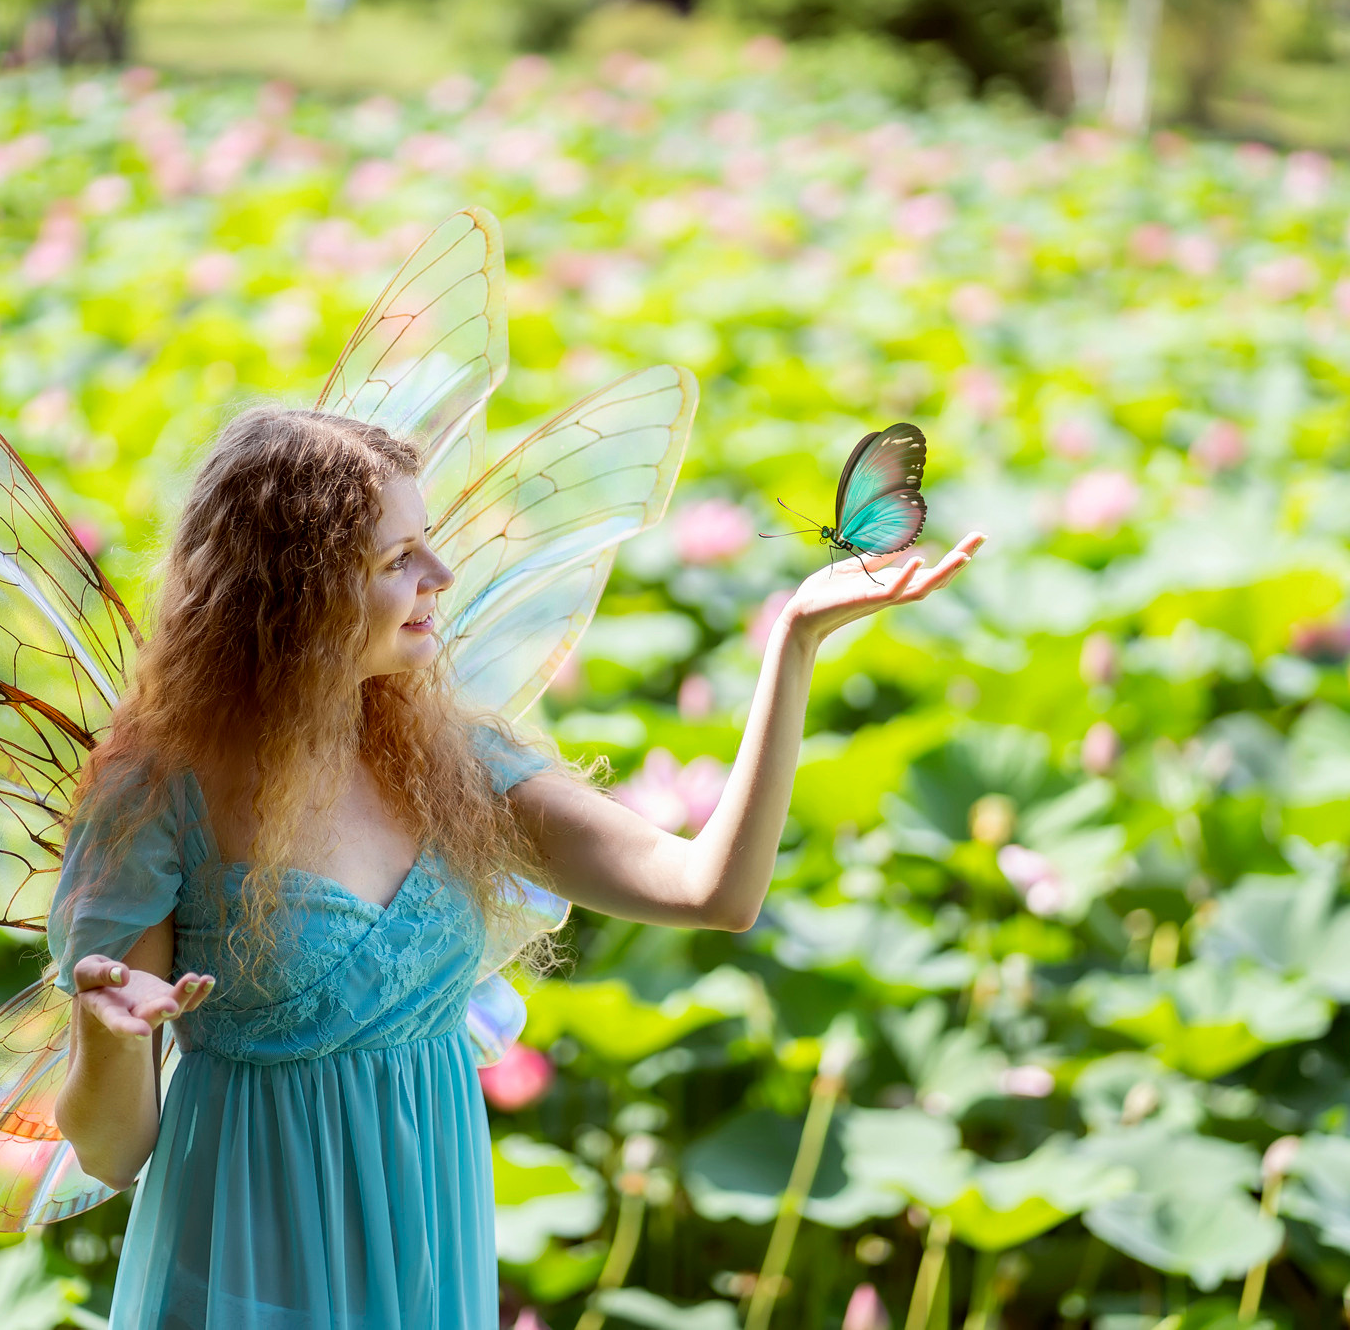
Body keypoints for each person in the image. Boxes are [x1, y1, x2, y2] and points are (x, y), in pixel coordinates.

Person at [49, 405, 985, 1329]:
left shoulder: (448, 761)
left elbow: (715, 892)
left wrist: (795, 643)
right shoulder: (157, 792)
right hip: (249, 1267)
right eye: (396, 560)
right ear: (293, 591)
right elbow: (111, 1150)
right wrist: (115, 1039)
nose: (440, 576)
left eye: (431, 543)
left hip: (431, 1258)